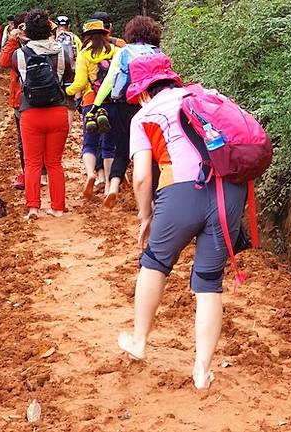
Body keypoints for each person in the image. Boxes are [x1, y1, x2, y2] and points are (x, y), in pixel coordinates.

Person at [118, 52, 248, 391]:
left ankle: (139, 341)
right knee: (208, 283)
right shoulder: (202, 99)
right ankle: (202, 371)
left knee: (155, 264)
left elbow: (143, 177)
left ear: (142, 91)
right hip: (228, 194)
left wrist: (145, 215)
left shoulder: (145, 115)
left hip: (180, 194)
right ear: (171, 79)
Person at [89, 14, 164, 208]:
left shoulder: (124, 52)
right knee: (153, 153)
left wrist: (97, 105)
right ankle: (153, 200)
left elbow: (109, 81)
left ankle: (113, 186)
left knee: (122, 148)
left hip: (125, 104)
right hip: (152, 106)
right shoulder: (158, 53)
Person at [12, 8, 74, 219]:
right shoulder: (61, 53)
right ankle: (57, 208)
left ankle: (33, 207)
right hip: (57, 110)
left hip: (30, 113)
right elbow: (66, 77)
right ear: (50, 30)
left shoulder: (19, 55)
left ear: (26, 31)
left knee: (32, 162)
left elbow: (18, 77)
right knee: (54, 162)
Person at [65, 14, 120, 200]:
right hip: (112, 102)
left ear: (87, 35)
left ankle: (91, 174)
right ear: (105, 33)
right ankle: (109, 186)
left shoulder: (84, 54)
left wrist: (68, 91)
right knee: (109, 145)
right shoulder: (115, 51)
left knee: (89, 143)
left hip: (91, 103)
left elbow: (79, 82)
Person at [0, 12, 28, 189]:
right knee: (23, 140)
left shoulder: (43, 42)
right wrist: (12, 39)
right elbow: (3, 62)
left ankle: (39, 174)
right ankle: (30, 173)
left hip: (31, 98)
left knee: (29, 139)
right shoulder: (15, 44)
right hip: (20, 98)